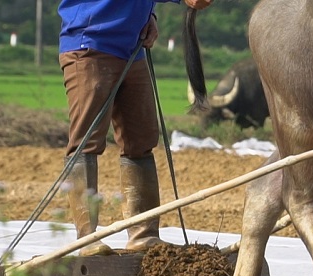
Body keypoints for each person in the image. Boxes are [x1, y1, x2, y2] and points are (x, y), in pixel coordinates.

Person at [58, 0, 213, 256]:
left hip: (132, 48)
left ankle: (144, 235)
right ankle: (86, 239)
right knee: (87, 141)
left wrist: (148, 13)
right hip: (90, 44)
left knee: (140, 141)